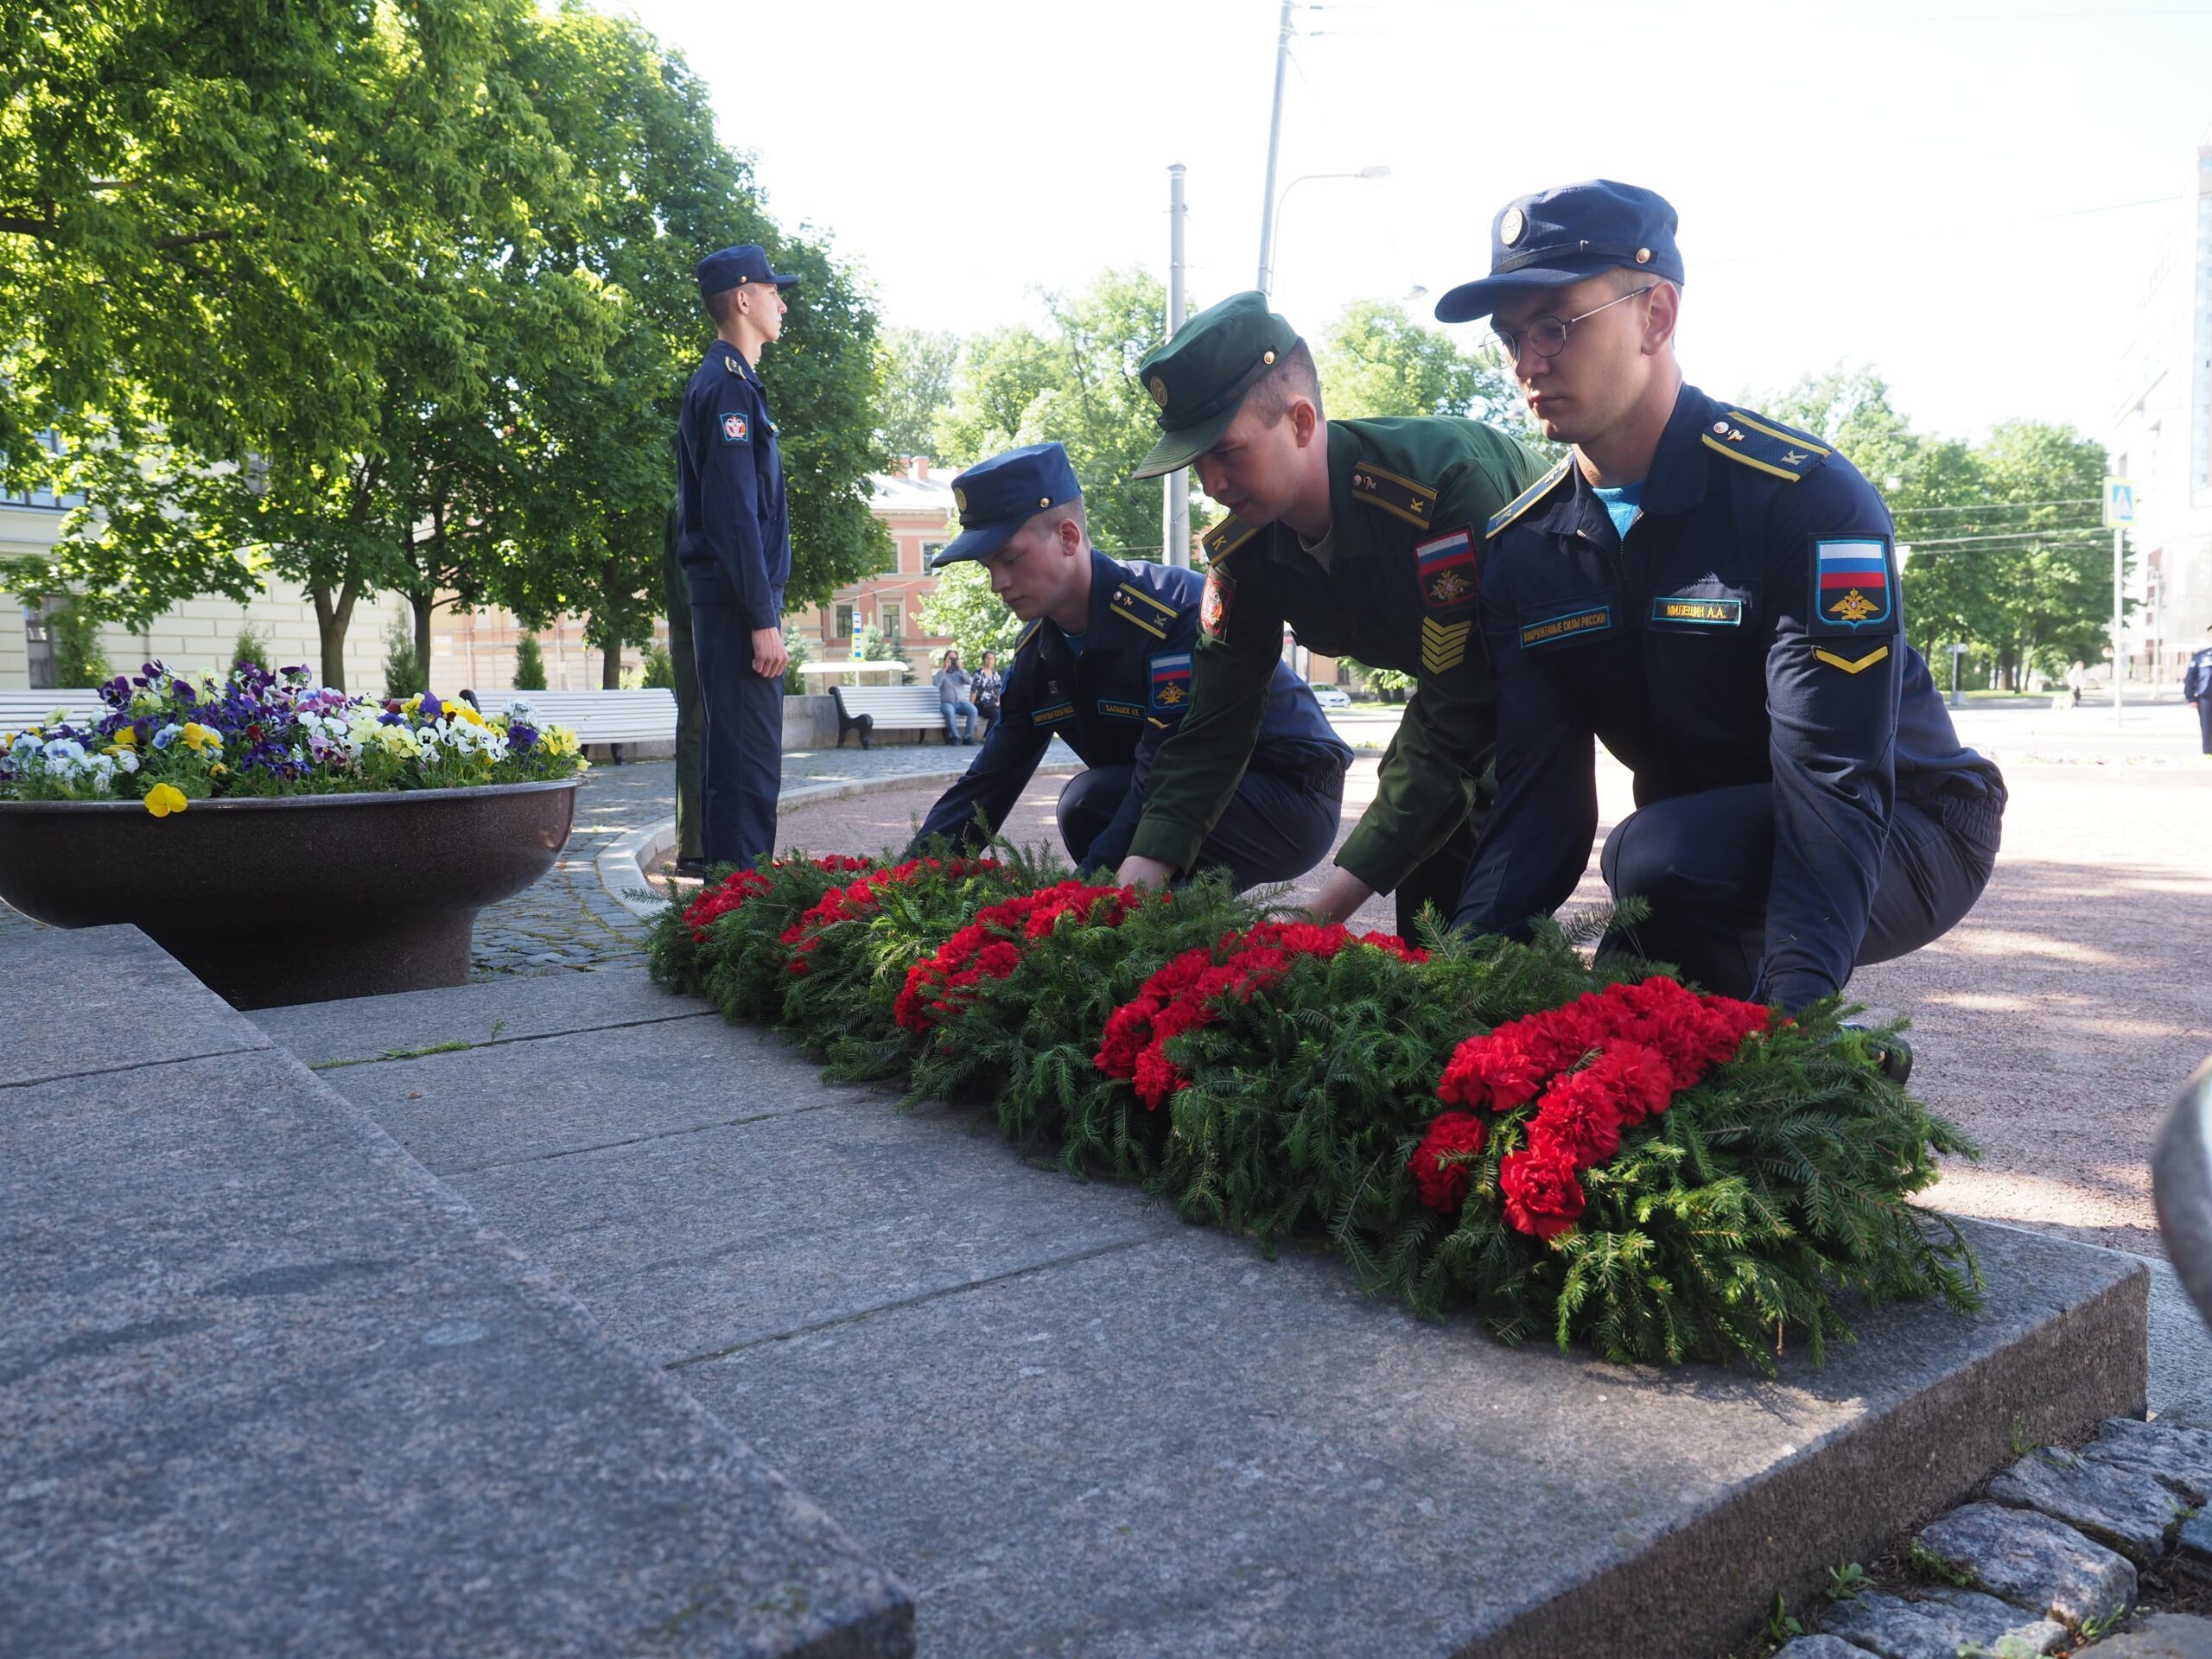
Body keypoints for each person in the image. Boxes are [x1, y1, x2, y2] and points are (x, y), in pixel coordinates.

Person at [1438, 179, 2006, 1012]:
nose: (1529, 362)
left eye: (1557, 325)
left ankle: (1827, 1057)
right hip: (1711, 843)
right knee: (1618, 1024)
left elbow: (1833, 778)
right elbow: (1537, 806)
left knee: (1654, 862)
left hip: (1906, 823)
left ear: (1657, 316)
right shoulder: (1526, 551)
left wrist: (1801, 1011)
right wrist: (1464, 979)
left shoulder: (1802, 499)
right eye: (1512, 337)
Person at [1113, 291, 1548, 940]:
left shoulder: (1443, 490)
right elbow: (1214, 719)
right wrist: (1131, 891)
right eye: (1195, 463)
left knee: (1476, 913)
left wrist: (1318, 916)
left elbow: (1461, 714)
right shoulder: (1248, 546)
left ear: (1302, 422)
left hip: (1562, 667)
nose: (1212, 485)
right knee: (1429, 911)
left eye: (1226, 452)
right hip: (1470, 693)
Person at [912, 441, 1351, 886]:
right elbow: (990, 779)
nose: (998, 583)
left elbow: (1164, 773)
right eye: (989, 567)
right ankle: (1161, 936)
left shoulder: (1173, 615)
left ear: (1068, 536)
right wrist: (906, 879)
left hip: (1290, 791)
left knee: (1093, 803)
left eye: (1009, 559)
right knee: (1089, 802)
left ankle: (1151, 928)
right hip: (1183, 791)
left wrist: (1079, 897)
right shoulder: (1038, 656)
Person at [672, 242, 798, 871]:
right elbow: (733, 517)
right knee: (747, 768)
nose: (782, 302)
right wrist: (761, 619)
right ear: (743, 300)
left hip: (731, 601)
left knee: (737, 762)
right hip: (736, 604)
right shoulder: (727, 389)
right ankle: (741, 916)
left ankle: (726, 911)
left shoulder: (733, 384)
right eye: (774, 291)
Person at [661, 495, 706, 876]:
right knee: (697, 731)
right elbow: (688, 582)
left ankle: (699, 844)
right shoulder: (688, 504)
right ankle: (694, 847)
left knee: (700, 732)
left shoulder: (689, 502)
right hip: (697, 635)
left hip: (697, 632)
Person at [934, 648, 978, 745]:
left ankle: (967, 737)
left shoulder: (960, 672)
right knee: (949, 711)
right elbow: (936, 684)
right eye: (950, 658)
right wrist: (944, 669)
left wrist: (961, 669)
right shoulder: (941, 673)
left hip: (961, 703)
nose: (953, 661)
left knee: (973, 710)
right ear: (945, 660)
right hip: (947, 704)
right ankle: (956, 737)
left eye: (955, 659)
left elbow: (970, 681)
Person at [2186, 628, 2212, 755]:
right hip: (2205, 697)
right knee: (2207, 725)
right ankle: (2208, 752)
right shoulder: (2201, 656)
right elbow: (2190, 678)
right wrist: (2191, 697)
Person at [970, 648, 1003, 739]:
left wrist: (999, 702)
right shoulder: (979, 673)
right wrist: (971, 706)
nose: (990, 661)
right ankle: (987, 737)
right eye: (988, 658)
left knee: (1007, 711)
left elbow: (999, 691)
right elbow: (974, 690)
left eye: (992, 659)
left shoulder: (996, 674)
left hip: (993, 704)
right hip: (981, 704)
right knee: (996, 714)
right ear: (983, 660)